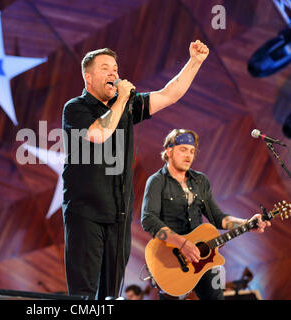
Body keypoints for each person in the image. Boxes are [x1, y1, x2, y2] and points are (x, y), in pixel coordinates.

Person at [62, 41, 210, 299]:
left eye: (115, 68)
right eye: (105, 68)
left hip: (118, 215)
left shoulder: (127, 105)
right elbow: (99, 134)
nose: (113, 73)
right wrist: (120, 101)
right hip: (84, 212)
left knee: (111, 294)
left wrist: (194, 62)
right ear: (88, 77)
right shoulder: (76, 108)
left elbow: (168, 94)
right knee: (83, 295)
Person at [140, 129, 271, 300]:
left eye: (192, 151)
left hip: (206, 260)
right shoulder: (156, 181)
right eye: (183, 149)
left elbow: (217, 217)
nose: (189, 155)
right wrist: (182, 243)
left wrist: (246, 223)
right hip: (169, 261)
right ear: (169, 151)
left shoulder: (200, 181)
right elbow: (148, 219)